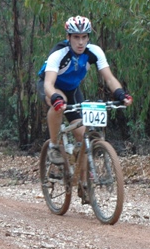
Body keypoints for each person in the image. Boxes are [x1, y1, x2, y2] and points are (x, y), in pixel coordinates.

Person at [38, 15, 133, 164]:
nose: (81, 42)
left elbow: (109, 78)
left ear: (88, 37)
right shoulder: (58, 54)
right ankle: (54, 146)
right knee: (59, 103)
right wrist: (55, 98)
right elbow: (48, 84)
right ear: (68, 37)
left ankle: (83, 174)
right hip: (51, 87)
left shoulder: (94, 52)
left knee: (83, 137)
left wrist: (121, 93)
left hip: (72, 90)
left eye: (84, 37)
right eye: (76, 37)